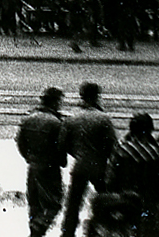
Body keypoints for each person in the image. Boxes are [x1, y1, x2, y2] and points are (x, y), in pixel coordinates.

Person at [59, 82, 117, 237]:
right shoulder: (104, 119)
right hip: (99, 166)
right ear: (97, 97)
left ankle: (67, 233)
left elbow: (63, 144)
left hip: (79, 166)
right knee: (107, 200)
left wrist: (77, 154)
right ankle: (105, 229)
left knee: (73, 204)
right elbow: (112, 146)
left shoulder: (71, 118)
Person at [102, 112, 159, 236]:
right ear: (151, 129)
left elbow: (110, 178)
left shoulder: (121, 150)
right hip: (148, 202)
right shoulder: (157, 152)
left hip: (123, 199)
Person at [16, 87, 66, 237]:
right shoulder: (56, 122)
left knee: (34, 203)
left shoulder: (28, 118)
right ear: (55, 101)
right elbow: (61, 146)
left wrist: (28, 158)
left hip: (33, 165)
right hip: (50, 167)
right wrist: (61, 161)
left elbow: (20, 142)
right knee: (54, 203)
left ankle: (34, 232)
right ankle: (39, 227)